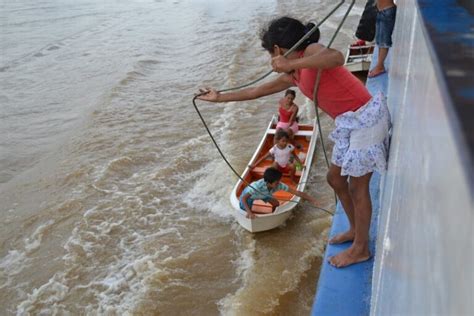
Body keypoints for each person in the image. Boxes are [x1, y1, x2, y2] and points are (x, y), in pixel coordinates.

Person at [197, 16, 391, 268]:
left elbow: (336, 58)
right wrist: (219, 97)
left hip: (366, 118)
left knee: (357, 187)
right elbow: (255, 91)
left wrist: (294, 61)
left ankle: (361, 249)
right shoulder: (295, 75)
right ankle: (355, 230)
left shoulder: (310, 52)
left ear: (277, 49)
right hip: (349, 124)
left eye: (270, 52)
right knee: (335, 179)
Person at [240, 167, 319, 219]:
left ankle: (272, 216)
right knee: (245, 211)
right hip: (250, 196)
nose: (279, 183)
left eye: (279, 181)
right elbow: (244, 198)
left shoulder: (279, 185)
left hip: (265, 194)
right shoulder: (257, 186)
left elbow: (297, 193)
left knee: (276, 204)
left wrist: (313, 200)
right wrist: (249, 212)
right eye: (276, 182)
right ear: (268, 183)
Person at [368, 0, 397, 78]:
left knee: (384, 41)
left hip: (387, 12)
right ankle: (379, 65)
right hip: (381, 11)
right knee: (379, 40)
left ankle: (380, 66)